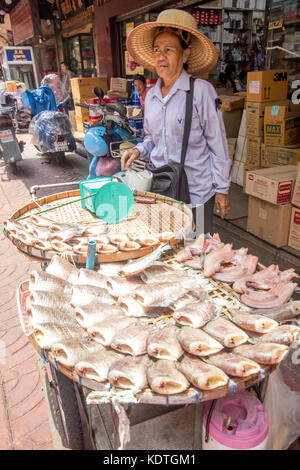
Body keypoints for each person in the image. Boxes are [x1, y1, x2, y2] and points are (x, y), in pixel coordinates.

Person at [122, 9, 231, 234]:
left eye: (169, 50)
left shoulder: (201, 92)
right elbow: (153, 137)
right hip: (161, 188)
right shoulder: (151, 95)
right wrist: (139, 150)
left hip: (196, 192)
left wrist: (222, 189)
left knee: (196, 250)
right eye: (156, 50)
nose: (161, 56)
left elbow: (218, 145)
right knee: (166, 250)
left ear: (185, 54)